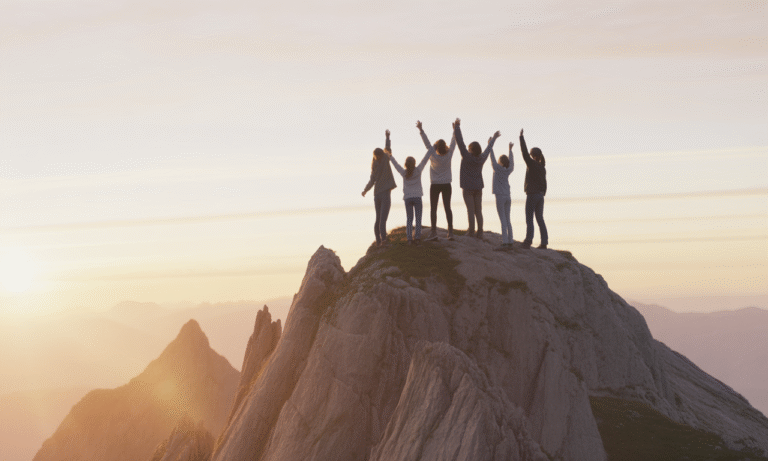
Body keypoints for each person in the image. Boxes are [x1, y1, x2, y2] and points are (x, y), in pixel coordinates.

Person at [453, 118, 500, 238]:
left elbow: (460, 142)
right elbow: (488, 149)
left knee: (470, 210)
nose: (467, 150)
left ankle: (471, 232)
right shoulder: (482, 158)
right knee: (478, 211)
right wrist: (493, 138)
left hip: (468, 188)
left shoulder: (466, 156)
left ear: (471, 150)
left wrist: (457, 127)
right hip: (478, 188)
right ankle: (480, 232)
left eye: (469, 149)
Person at [416, 120, 456, 240]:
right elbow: (454, 143)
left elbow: (427, 144)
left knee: (433, 207)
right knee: (447, 207)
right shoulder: (449, 155)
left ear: (437, 147)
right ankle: (451, 232)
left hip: (435, 185)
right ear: (445, 147)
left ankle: (433, 231)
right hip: (447, 185)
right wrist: (455, 130)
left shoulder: (432, 154)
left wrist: (421, 130)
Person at [387, 142, 432, 245]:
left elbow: (396, 164)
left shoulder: (404, 173)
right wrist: (432, 148)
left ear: (406, 164)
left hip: (407, 198)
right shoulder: (418, 170)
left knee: (409, 218)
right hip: (417, 197)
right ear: (414, 163)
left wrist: (390, 156)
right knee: (418, 218)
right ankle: (417, 238)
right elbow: (425, 159)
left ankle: (409, 240)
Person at [362, 130, 397, 246]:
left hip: (377, 194)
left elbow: (372, 180)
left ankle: (378, 240)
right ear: (381, 154)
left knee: (378, 218)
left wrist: (365, 190)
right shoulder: (385, 160)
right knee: (383, 218)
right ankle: (384, 240)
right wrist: (387, 137)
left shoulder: (374, 165)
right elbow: (387, 149)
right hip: (385, 193)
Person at [519, 128, 548, 249]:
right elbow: (544, 182)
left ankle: (528, 240)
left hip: (532, 194)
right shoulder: (542, 167)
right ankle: (544, 242)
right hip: (540, 195)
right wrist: (543, 193)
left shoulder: (532, 164)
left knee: (529, 218)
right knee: (540, 219)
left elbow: (524, 153)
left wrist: (521, 138)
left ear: (533, 156)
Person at [490, 141, 515, 247]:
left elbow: (492, 159)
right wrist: (510, 150)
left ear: (500, 161)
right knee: (508, 218)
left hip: (500, 196)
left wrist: (490, 146)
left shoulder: (497, 168)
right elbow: (512, 163)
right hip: (508, 196)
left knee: (502, 219)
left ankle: (505, 241)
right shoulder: (508, 170)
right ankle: (510, 240)